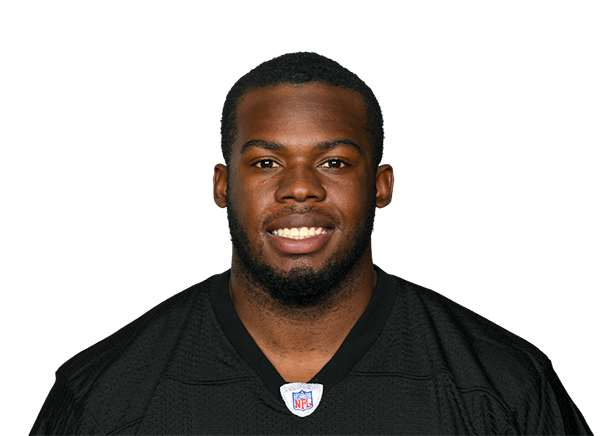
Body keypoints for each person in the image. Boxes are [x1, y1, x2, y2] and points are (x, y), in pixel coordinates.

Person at [33, 51, 590, 435]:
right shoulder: (106, 394)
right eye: (267, 162)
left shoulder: (503, 385)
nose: (300, 187)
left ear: (380, 185)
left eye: (334, 162)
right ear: (223, 187)